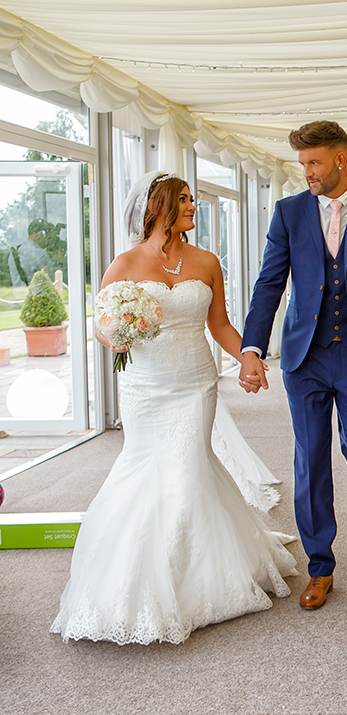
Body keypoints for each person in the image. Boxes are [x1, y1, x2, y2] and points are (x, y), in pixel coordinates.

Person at [52, 173, 298, 645]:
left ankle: (195, 583)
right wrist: (119, 331)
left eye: (191, 199)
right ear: (156, 206)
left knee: (187, 469)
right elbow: (102, 328)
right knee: (145, 470)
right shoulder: (124, 264)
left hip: (195, 383)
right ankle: (142, 582)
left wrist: (248, 357)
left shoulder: (206, 262)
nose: (191, 206)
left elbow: (222, 324)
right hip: (145, 387)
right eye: (182, 200)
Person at [240, 120, 347, 610]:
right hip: (304, 356)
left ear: (340, 158)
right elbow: (269, 284)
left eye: (314, 162)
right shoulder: (289, 212)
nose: (307, 172)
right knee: (310, 460)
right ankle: (320, 566)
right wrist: (252, 347)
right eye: (302, 164)